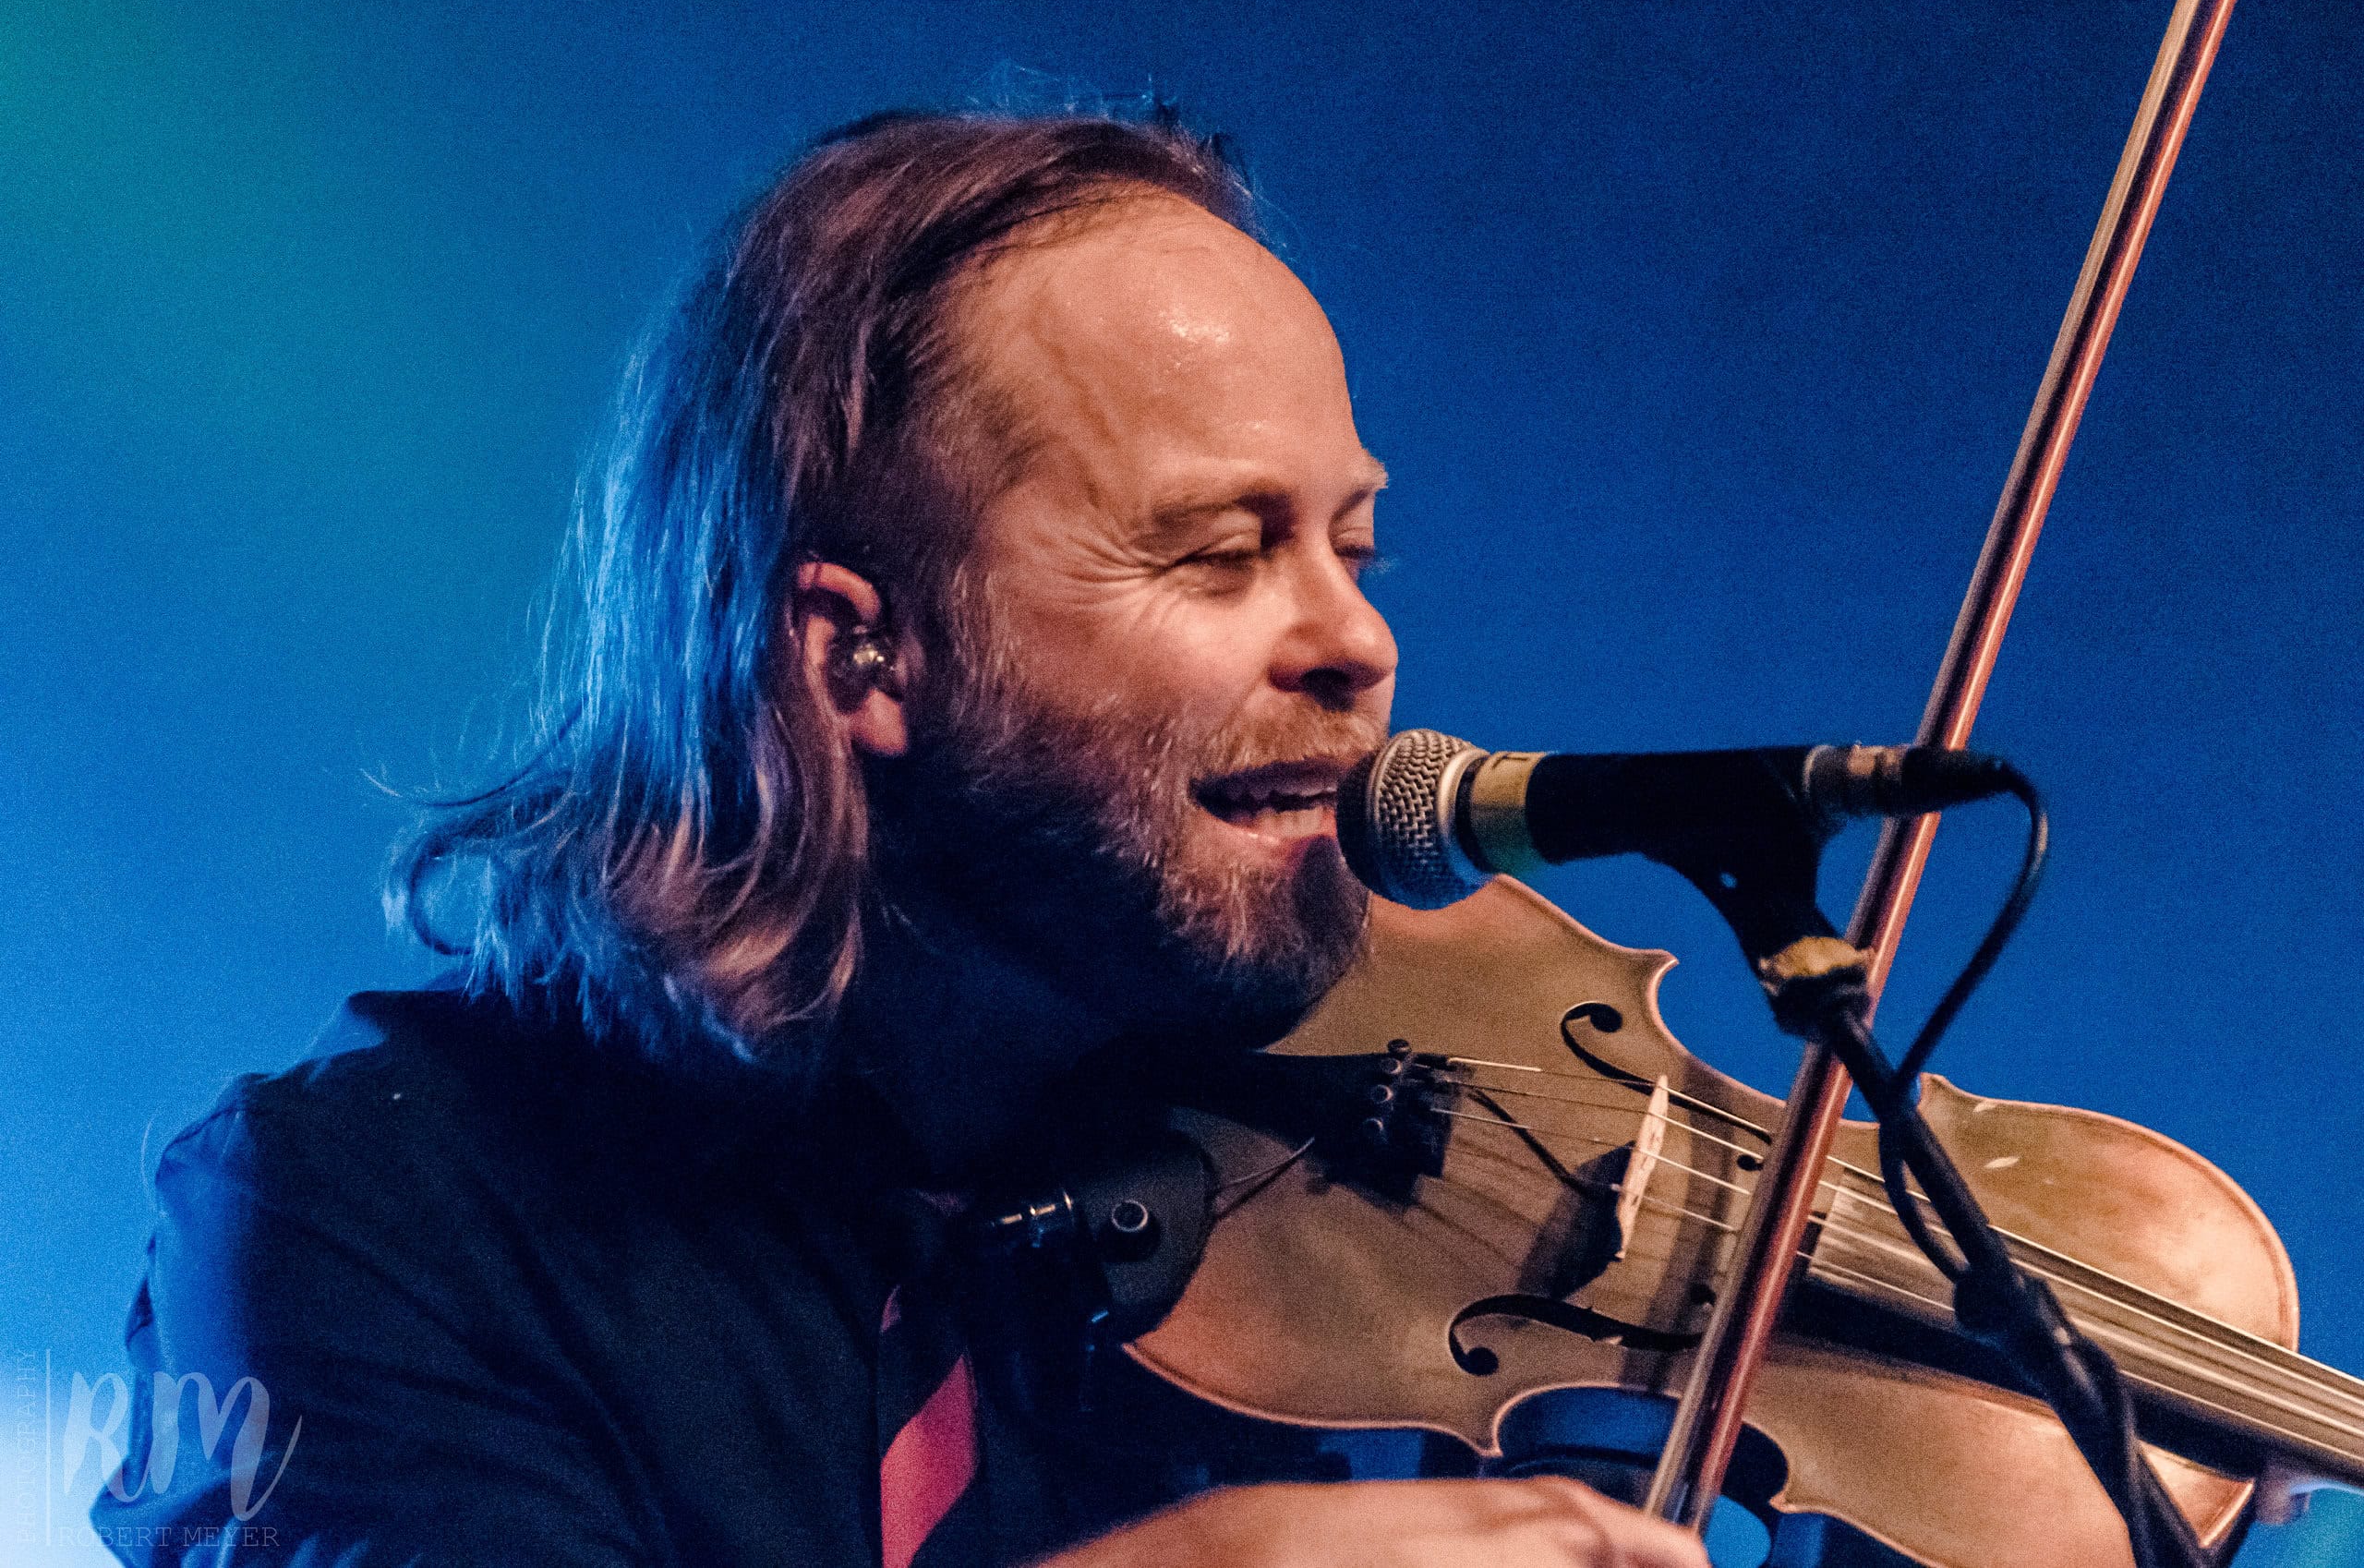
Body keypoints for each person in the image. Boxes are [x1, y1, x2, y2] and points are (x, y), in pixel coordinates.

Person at [90, 108, 1710, 1568]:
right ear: (858, 656)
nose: (1358, 642)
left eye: (1354, 546)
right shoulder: (355, 1216)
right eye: (1222, 554)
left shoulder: (1327, 1188)